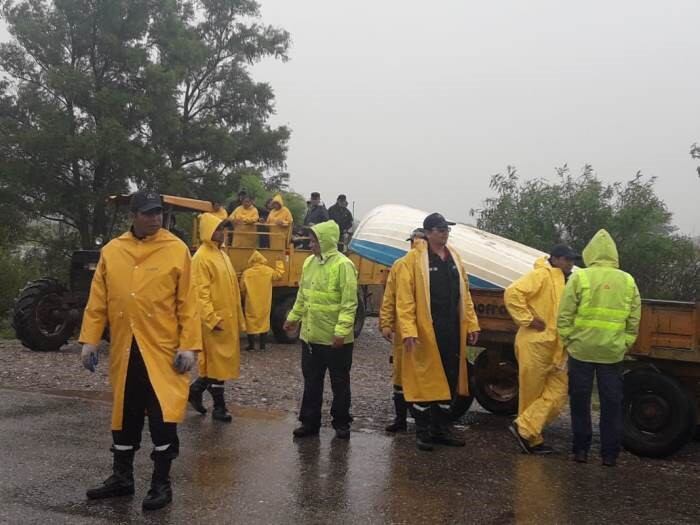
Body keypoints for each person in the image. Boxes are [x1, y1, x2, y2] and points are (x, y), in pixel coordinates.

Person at [79, 190, 202, 511]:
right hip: (125, 350)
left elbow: (189, 303)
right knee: (125, 415)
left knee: (163, 416)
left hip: (162, 352)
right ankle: (122, 478)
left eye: (158, 212)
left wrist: (189, 346)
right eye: (148, 213)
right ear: (132, 215)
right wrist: (90, 340)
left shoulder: (176, 250)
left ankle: (161, 484)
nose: (155, 218)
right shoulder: (112, 250)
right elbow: (98, 301)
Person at [395, 213, 480, 451]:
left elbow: (466, 294)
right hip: (426, 330)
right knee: (424, 380)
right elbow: (405, 300)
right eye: (440, 229)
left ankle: (441, 429)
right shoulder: (413, 261)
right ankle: (422, 432)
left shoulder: (455, 257)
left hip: (451, 327)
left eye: (446, 230)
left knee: (449, 378)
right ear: (429, 232)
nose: (445, 233)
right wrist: (409, 330)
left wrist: (471, 323)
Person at [558, 229, 641, 467]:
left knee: (580, 401)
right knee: (611, 404)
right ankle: (609, 454)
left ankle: (581, 450)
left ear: (590, 252)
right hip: (612, 353)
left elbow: (564, 314)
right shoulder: (627, 280)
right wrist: (625, 342)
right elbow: (634, 317)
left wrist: (569, 340)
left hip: (581, 351)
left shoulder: (580, 277)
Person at [283, 221, 358, 440]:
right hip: (311, 337)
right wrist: (293, 319)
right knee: (312, 382)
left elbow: (349, 303)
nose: (311, 244)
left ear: (326, 241)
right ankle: (309, 422)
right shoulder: (309, 263)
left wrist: (341, 332)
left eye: (315, 240)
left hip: (336, 341)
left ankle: (342, 423)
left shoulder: (343, 265)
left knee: (340, 384)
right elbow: (302, 296)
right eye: (311, 240)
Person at [505, 245, 577, 455]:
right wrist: (527, 319)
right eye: (567, 259)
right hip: (535, 344)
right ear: (555, 258)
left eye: (572, 260)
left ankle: (524, 428)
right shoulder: (541, 275)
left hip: (557, 348)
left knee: (559, 393)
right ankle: (532, 440)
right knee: (531, 394)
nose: (570, 263)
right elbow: (513, 292)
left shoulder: (567, 280)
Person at [188, 213, 246, 423]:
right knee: (216, 363)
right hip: (214, 322)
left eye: (224, 228)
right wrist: (211, 319)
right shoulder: (201, 258)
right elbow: (199, 294)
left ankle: (195, 390)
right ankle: (219, 408)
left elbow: (231, 289)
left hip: (226, 319)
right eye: (219, 228)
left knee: (218, 363)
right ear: (208, 231)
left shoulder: (221, 254)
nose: (223, 232)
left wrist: (238, 318)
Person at [380, 228, 427, 433]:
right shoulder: (400, 265)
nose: (413, 246)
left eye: (416, 242)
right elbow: (390, 296)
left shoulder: (426, 267)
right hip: (406, 331)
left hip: (423, 332)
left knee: (417, 377)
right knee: (402, 376)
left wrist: (387, 322)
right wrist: (386, 323)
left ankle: (418, 422)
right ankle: (403, 420)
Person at [240, 251, 286, 351]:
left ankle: (251, 345)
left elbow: (242, 288)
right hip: (265, 302)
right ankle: (262, 346)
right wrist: (279, 262)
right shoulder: (268, 271)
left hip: (251, 302)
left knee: (251, 322)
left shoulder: (246, 273)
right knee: (264, 322)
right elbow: (279, 275)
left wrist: (244, 296)